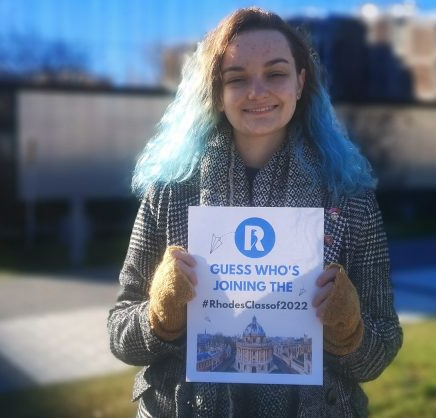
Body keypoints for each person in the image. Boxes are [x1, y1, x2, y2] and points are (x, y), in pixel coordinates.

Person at [108, 7, 402, 417]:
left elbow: (381, 349)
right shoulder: (170, 192)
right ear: (217, 92)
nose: (257, 91)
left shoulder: (347, 198)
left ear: (301, 82)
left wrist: (349, 329)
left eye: (276, 73)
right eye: (237, 78)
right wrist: (160, 315)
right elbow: (120, 335)